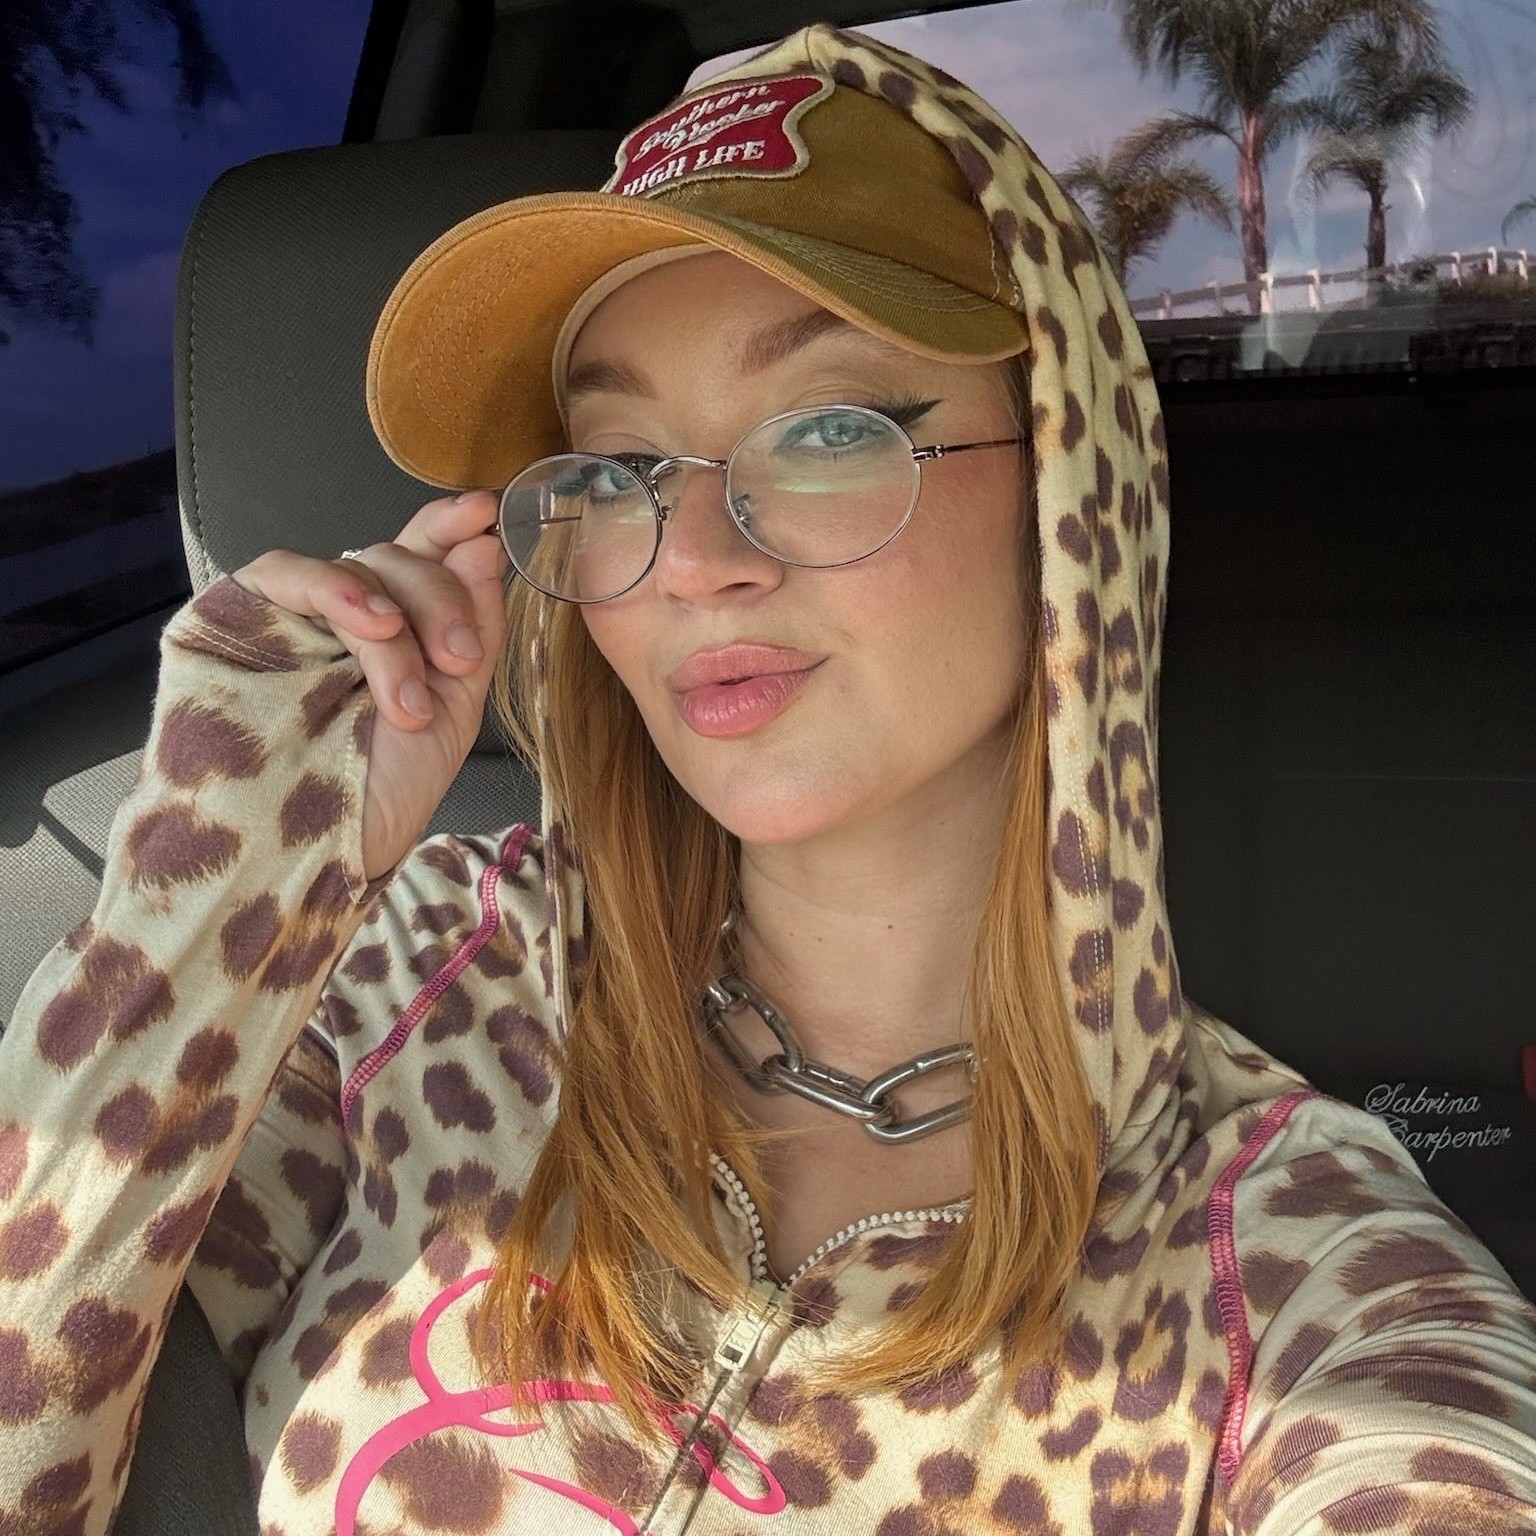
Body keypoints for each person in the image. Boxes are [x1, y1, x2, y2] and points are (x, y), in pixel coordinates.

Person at [2, 20, 1534, 1536]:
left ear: (1069, 491)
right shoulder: (414, 981)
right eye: (621, 469)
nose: (692, 561)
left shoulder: (1282, 1260)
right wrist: (218, 893)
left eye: (826, 431)